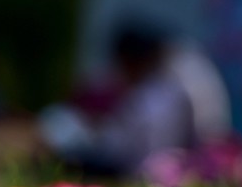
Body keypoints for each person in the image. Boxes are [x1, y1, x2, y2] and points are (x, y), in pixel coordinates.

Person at [40, 19, 231, 177]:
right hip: (190, 157)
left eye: (123, 67)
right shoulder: (176, 66)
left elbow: (150, 147)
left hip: (187, 164)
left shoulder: (169, 85)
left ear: (131, 60)